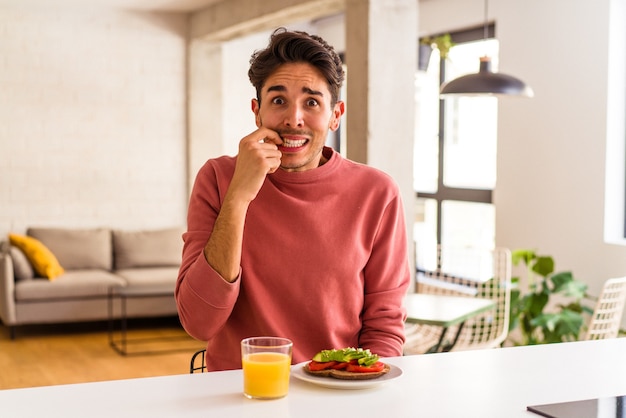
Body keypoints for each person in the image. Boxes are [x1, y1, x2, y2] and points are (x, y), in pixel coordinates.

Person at [176, 27, 410, 371]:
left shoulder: (378, 193)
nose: (293, 119)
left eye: (312, 102)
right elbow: (199, 322)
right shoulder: (218, 178)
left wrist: (364, 391)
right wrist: (239, 196)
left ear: (335, 115)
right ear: (257, 111)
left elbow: (384, 325)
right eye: (278, 100)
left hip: (337, 389)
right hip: (239, 392)